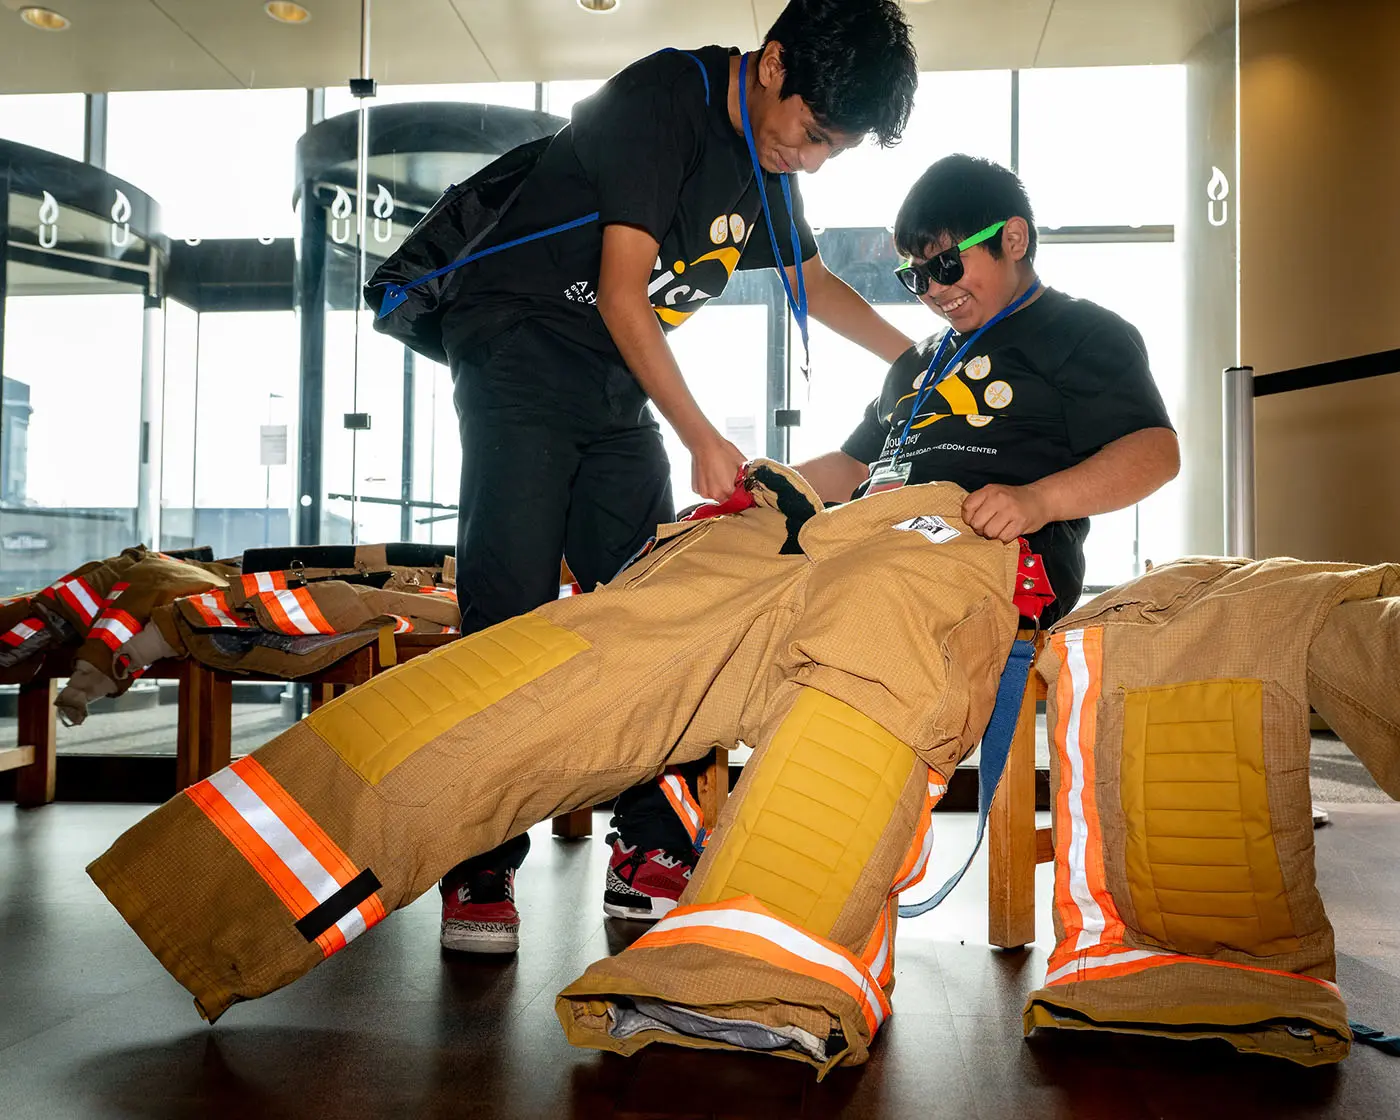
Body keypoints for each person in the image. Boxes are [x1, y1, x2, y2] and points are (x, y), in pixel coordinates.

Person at [437, 0, 920, 952]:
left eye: (835, 150)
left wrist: (915, 360)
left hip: (616, 373)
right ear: (773, 64)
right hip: (518, 349)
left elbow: (811, 283)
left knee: (657, 604)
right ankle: (479, 860)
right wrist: (699, 434)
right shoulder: (666, 96)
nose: (813, 159)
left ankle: (648, 846)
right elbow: (625, 292)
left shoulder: (766, 155)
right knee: (511, 600)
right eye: (814, 133)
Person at [795, 153, 1181, 625]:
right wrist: (763, 485)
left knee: (859, 593)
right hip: (885, 541)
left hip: (995, 558)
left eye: (947, 265)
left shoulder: (1081, 332)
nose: (934, 290)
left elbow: (1156, 451)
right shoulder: (915, 362)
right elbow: (853, 464)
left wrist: (1037, 501)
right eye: (916, 276)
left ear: (1013, 239)